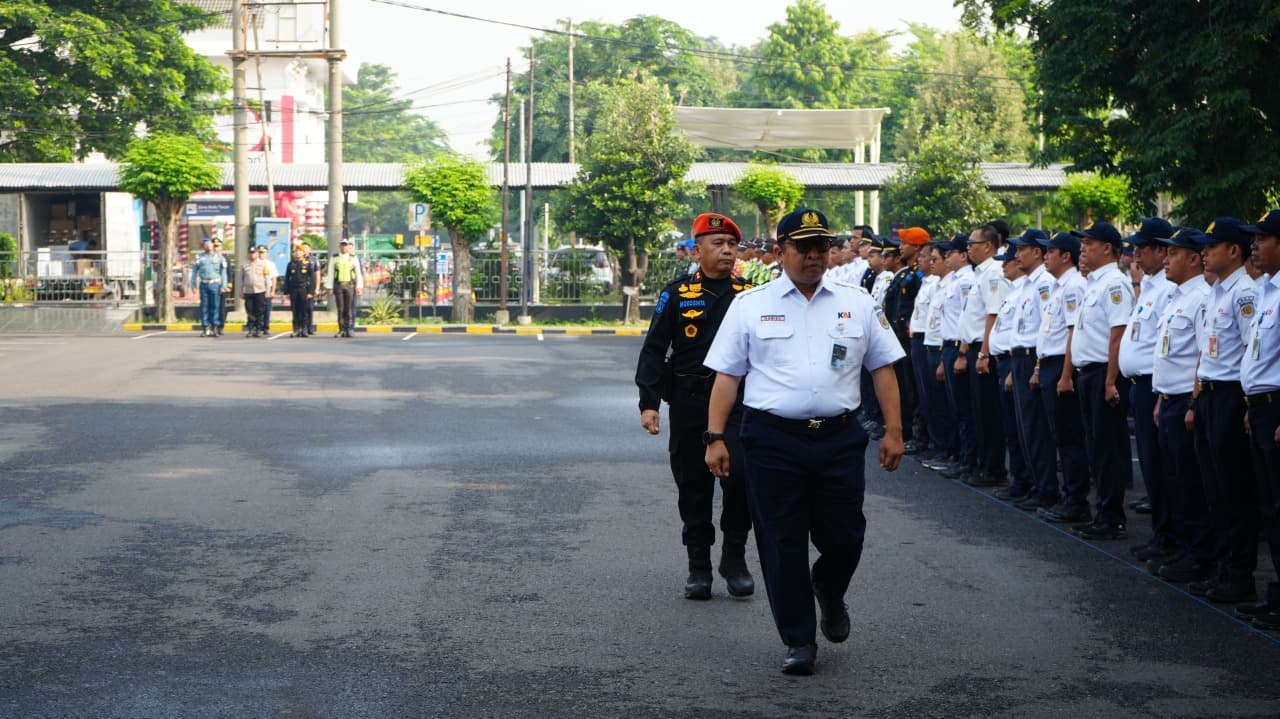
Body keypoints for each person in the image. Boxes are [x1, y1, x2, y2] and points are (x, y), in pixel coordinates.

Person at [703, 207, 904, 676]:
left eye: (821, 247)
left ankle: (828, 589)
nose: (814, 256)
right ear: (780, 251)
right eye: (803, 248)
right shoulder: (750, 305)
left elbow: (883, 369)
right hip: (772, 440)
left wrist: (894, 431)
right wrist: (715, 437)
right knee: (781, 542)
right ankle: (798, 640)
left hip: (838, 439)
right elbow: (727, 378)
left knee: (846, 536)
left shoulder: (857, 301)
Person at [636, 212, 756, 601]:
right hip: (689, 402)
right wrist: (649, 402)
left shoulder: (750, 294)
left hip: (739, 405)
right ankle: (699, 565)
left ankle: (734, 557)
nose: (726, 251)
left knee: (740, 481)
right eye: (717, 244)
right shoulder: (677, 293)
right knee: (693, 484)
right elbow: (655, 349)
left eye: (731, 245)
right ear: (697, 250)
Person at [1190, 218, 1260, 603]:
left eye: (1212, 246)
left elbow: (1254, 350)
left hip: (1232, 396)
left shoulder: (1244, 294)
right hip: (1210, 396)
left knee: (1234, 489)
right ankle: (1222, 567)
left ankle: (1239, 574)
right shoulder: (1216, 292)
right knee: (1213, 487)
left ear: (1234, 250)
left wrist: (1248, 403)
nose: (1205, 252)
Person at [1147, 227, 1215, 586]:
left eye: (1173, 254)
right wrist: (1161, 399)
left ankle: (1200, 555)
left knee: (1191, 483)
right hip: (1168, 400)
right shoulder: (1174, 297)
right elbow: (1167, 355)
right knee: (1173, 480)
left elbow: (1203, 356)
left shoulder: (1202, 297)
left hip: (1187, 403)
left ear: (1192, 258)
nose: (1165, 259)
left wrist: (1192, 402)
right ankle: (1184, 547)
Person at [1066, 221, 1135, 539]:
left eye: (1089, 244)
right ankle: (1102, 513)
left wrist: (1110, 381)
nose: (1083, 249)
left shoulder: (1115, 284)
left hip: (1102, 374)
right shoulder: (1094, 283)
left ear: (1107, 248)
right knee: (1096, 445)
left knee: (1107, 448)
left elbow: (1117, 336)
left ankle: (1111, 516)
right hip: (1088, 374)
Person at [1118, 218, 1176, 556]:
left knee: (1161, 466)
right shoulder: (1151, 284)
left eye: (1142, 246)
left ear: (1161, 249)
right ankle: (1161, 534)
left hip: (1156, 385)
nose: (1136, 252)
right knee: (1153, 466)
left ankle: (1169, 537)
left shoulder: (1168, 287)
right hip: (1141, 385)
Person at [1240, 209, 1280, 628]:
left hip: (1278, 407)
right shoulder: (1267, 290)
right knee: (1269, 507)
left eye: (1263, 238)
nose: (1255, 244)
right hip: (1263, 406)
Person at [1031, 232, 1090, 516]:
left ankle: (1076, 499)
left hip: (1061, 366)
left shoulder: (1073, 286)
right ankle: (1069, 497)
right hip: (1050, 364)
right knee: (1059, 435)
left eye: (1050, 251)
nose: (1045, 256)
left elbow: (1071, 334)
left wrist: (1066, 375)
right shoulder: (1058, 286)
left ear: (1066, 256)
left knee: (1068, 436)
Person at [1001, 229, 1055, 504]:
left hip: (1033, 357)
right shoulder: (1026, 285)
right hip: (1018, 358)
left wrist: (1036, 367)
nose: (1017, 254)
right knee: (1025, 430)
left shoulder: (1044, 284)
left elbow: (1044, 329)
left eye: (1022, 249)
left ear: (1037, 252)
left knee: (1036, 429)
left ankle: (1045, 489)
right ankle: (1035, 485)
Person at [965, 224, 1012, 488]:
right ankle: (984, 464)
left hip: (984, 350)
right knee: (979, 411)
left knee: (989, 412)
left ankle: (993, 468)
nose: (968, 248)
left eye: (973, 243)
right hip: (974, 348)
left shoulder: (993, 272)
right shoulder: (981, 273)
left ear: (988, 247)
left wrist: (983, 352)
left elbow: (992, 314)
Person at [988, 243, 1034, 499]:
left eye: (1008, 260)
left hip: (1016, 362)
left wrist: (1012, 371)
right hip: (1007, 361)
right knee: (1013, 427)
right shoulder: (1015, 290)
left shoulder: (1029, 290)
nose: (1004, 265)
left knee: (1024, 429)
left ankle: (1027, 480)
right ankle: (1020, 479)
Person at [326, 238, 364, 338]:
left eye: (345, 245)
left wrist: (359, 287)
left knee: (349, 308)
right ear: (339, 247)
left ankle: (349, 329)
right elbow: (330, 273)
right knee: (340, 308)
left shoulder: (353, 258)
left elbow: (358, 274)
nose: (344, 247)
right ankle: (341, 329)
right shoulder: (334, 258)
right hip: (338, 285)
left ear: (348, 247)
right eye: (342, 245)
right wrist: (329, 287)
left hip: (350, 285)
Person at [190, 238, 228, 337]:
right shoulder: (199, 257)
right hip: (204, 284)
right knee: (204, 306)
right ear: (203, 246)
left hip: (215, 284)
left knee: (215, 306)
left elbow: (223, 273)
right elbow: (194, 272)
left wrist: (224, 286)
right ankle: (205, 327)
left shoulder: (219, 257)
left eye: (209, 244)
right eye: (205, 244)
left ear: (212, 245)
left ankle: (215, 327)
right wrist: (193, 285)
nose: (208, 246)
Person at [284, 245, 316, 337]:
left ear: (303, 253)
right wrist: (286, 292)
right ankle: (296, 329)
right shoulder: (291, 264)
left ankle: (304, 329)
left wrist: (310, 292)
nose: (297, 253)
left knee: (304, 310)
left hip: (304, 289)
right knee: (295, 310)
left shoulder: (307, 264)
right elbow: (287, 278)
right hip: (293, 290)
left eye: (299, 251)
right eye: (296, 251)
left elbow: (312, 279)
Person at [240, 244, 272, 338]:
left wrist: (268, 291)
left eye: (254, 253)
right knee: (250, 311)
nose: (252, 255)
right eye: (250, 253)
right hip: (248, 291)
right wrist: (240, 291)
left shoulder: (263, 264)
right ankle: (251, 329)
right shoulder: (244, 264)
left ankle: (258, 329)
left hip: (260, 290)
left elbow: (267, 278)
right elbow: (241, 279)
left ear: (257, 254)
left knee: (260, 311)